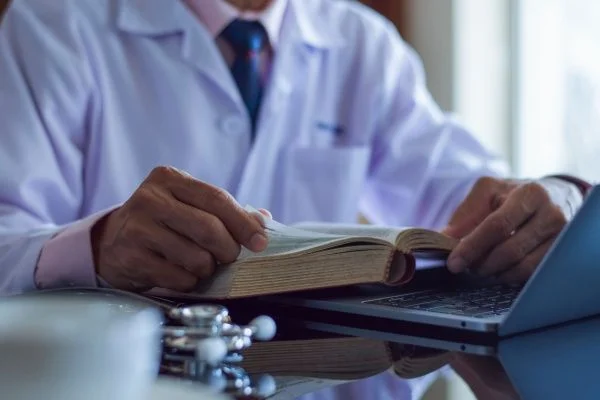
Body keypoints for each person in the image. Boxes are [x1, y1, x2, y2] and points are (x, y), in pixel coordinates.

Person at [0, 0, 589, 398]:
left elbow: (481, 199)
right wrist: (96, 246)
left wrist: (558, 197)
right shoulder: (54, 25)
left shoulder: (358, 41)